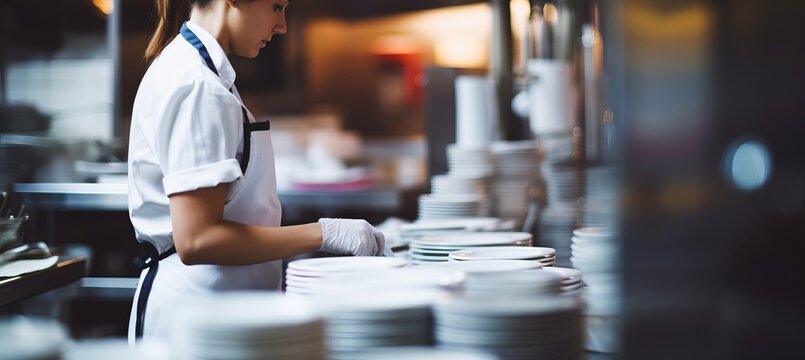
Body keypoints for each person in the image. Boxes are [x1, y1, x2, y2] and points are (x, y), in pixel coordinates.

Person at [126, 0, 386, 344]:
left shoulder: (202, 72)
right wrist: (324, 234)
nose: (283, 27)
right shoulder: (196, 85)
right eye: (276, 7)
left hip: (220, 313)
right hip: (195, 322)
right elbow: (197, 239)